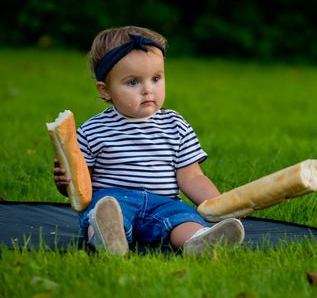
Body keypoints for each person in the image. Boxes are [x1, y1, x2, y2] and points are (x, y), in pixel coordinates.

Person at [53, 26, 244, 256]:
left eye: (155, 78)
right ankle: (109, 241)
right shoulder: (92, 130)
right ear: (105, 90)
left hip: (163, 204)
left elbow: (192, 176)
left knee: (183, 218)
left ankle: (198, 241)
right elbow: (82, 185)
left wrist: (222, 205)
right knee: (103, 214)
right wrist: (65, 181)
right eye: (133, 82)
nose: (148, 90)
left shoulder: (176, 126)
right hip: (115, 201)